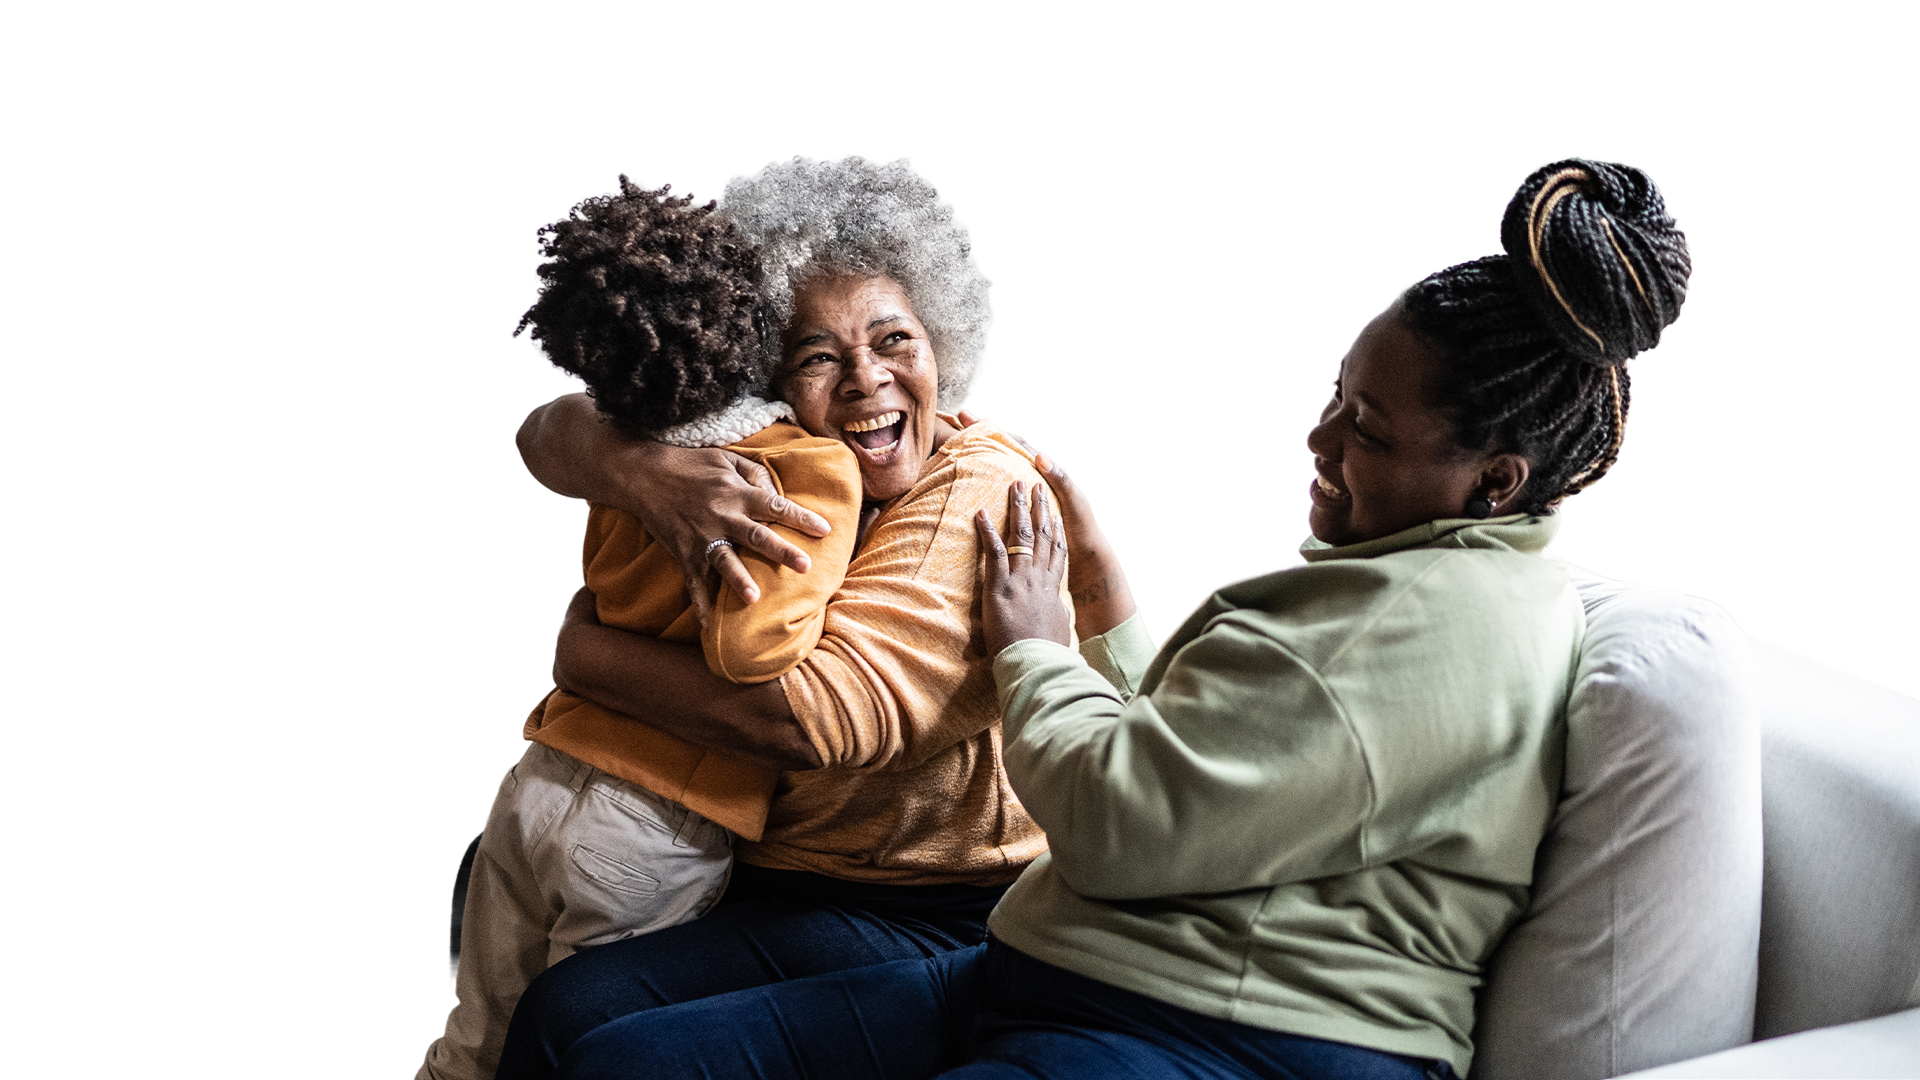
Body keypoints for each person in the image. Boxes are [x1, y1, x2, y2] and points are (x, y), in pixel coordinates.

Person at [530, 155, 1694, 1079]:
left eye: (1369, 431)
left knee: (603, 1037)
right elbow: (1204, 755)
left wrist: (581, 646)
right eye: (1336, 398)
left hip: (1128, 983)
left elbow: (876, 737)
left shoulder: (1419, 626)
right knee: (579, 1021)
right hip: (1059, 949)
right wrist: (623, 461)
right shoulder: (1380, 579)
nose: (1319, 440)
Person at [493, 154, 1103, 1079]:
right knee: (525, 946)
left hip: (934, 906)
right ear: (764, 379)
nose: (866, 379)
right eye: (818, 355)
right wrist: (639, 468)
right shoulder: (768, 459)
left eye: (896, 339)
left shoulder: (977, 489)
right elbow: (546, 430)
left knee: (583, 1027)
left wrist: (582, 657)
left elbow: (812, 721)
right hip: (770, 866)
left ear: (943, 342)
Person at [416, 177, 863, 1080]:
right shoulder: (804, 468)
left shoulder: (633, 444)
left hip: (538, 779)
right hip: (653, 817)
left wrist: (584, 639)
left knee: (470, 1043)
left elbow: (565, 475)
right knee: (586, 1054)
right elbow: (754, 649)